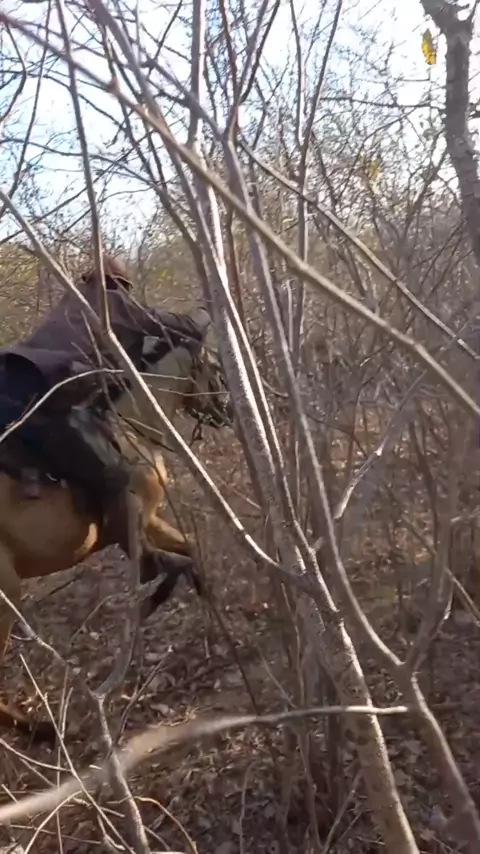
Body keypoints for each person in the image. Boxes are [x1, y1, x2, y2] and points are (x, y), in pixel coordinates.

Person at [0, 254, 210, 513]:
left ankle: (31, 472)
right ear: (121, 285)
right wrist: (207, 311)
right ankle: (134, 539)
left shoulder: (70, 302)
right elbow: (186, 327)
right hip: (45, 393)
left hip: (6, 378)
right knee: (119, 479)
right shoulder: (115, 303)